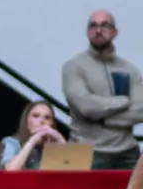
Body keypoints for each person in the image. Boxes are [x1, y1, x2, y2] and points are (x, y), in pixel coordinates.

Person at [61, 10, 143, 170]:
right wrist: (123, 101)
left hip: (127, 153)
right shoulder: (73, 67)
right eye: (93, 25)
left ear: (115, 32)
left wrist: (104, 120)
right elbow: (87, 107)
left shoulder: (129, 69)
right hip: (86, 152)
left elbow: (140, 110)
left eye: (105, 25)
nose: (98, 30)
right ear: (87, 32)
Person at [1, 100, 65, 171]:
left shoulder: (54, 147)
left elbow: (71, 168)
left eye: (47, 118)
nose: (42, 121)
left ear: (52, 123)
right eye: (36, 116)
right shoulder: (12, 142)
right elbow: (10, 171)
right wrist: (32, 141)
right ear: (26, 120)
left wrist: (59, 138)